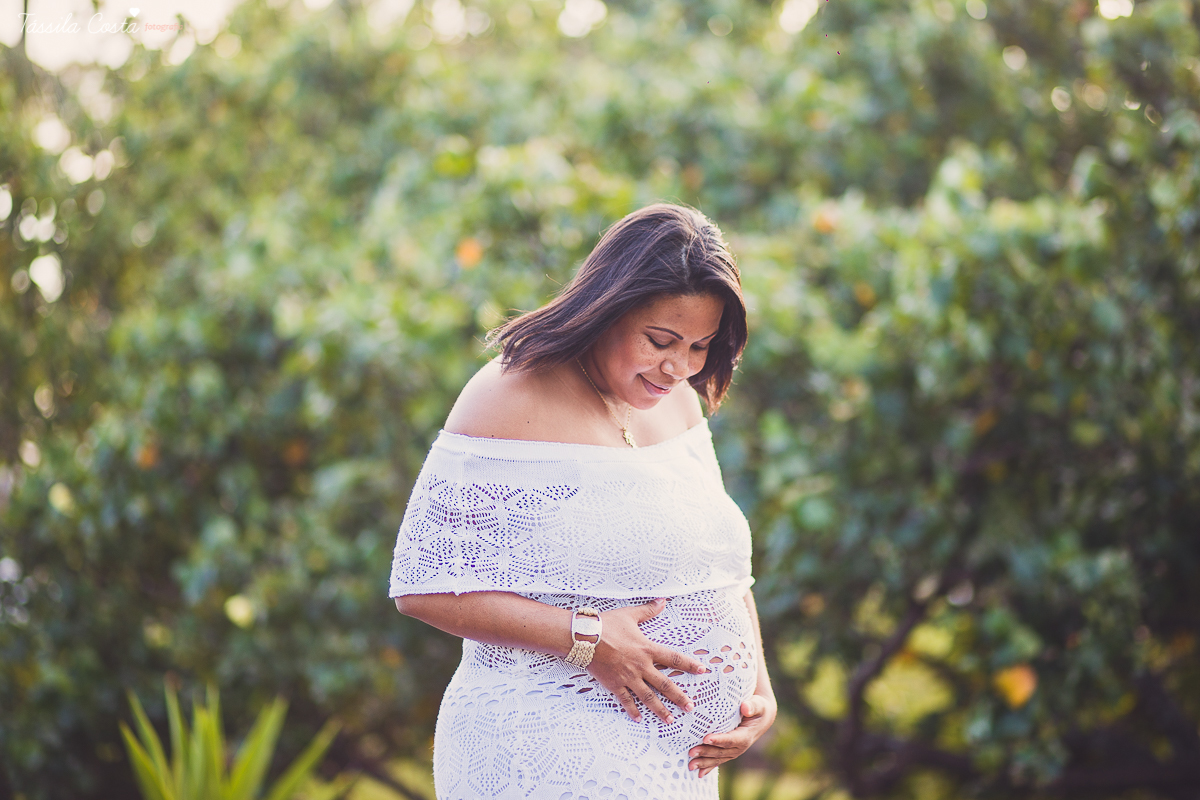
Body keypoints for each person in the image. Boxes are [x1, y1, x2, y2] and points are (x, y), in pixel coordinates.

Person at [389, 203, 776, 799]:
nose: (678, 366)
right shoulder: (511, 394)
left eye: (700, 346)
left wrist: (759, 689)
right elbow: (422, 585)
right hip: (550, 740)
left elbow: (718, 568)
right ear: (608, 307)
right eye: (661, 340)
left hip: (678, 759)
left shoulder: (676, 399)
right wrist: (588, 638)